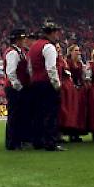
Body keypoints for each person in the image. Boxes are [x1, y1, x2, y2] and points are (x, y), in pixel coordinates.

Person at [28, 23, 64, 151]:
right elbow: (51, 68)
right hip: (47, 84)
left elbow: (30, 68)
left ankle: (37, 141)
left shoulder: (34, 47)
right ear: (52, 33)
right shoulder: (49, 47)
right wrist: (57, 85)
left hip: (36, 83)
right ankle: (50, 142)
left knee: (38, 114)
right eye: (56, 32)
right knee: (51, 114)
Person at [3, 28, 30, 150]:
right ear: (17, 40)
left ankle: (16, 140)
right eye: (23, 38)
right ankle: (13, 142)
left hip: (16, 87)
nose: (25, 41)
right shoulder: (13, 53)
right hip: (15, 88)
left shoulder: (19, 52)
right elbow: (11, 72)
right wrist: (19, 86)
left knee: (18, 115)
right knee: (14, 115)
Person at [58, 44, 86, 142]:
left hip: (79, 89)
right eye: (76, 50)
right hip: (70, 89)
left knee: (78, 112)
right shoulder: (67, 62)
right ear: (70, 52)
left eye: (78, 50)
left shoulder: (80, 63)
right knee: (70, 111)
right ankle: (69, 132)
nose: (78, 52)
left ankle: (76, 133)